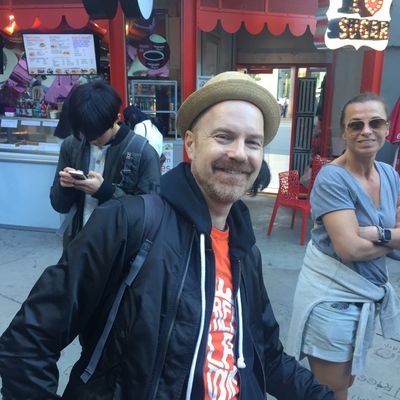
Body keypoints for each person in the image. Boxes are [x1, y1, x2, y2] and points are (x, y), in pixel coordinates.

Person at [0, 71, 334, 400]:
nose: (239, 153)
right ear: (190, 143)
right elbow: (27, 344)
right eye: (223, 137)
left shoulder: (245, 250)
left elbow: (268, 356)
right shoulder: (126, 224)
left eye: (252, 142)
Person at [286, 93, 400, 400]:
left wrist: (374, 233)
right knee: (330, 389)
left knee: (347, 380)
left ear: (386, 128)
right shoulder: (333, 179)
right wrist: (390, 238)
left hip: (366, 294)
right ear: (344, 132)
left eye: (375, 123)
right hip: (332, 298)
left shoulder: (390, 175)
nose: (366, 131)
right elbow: (350, 250)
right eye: (356, 125)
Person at [50, 81, 161, 247]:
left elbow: (151, 215)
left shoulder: (143, 153)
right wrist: (66, 186)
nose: (91, 141)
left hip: (119, 250)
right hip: (77, 244)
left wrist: (105, 191)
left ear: (117, 118)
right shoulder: (72, 145)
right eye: (85, 135)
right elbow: (59, 206)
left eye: (98, 136)